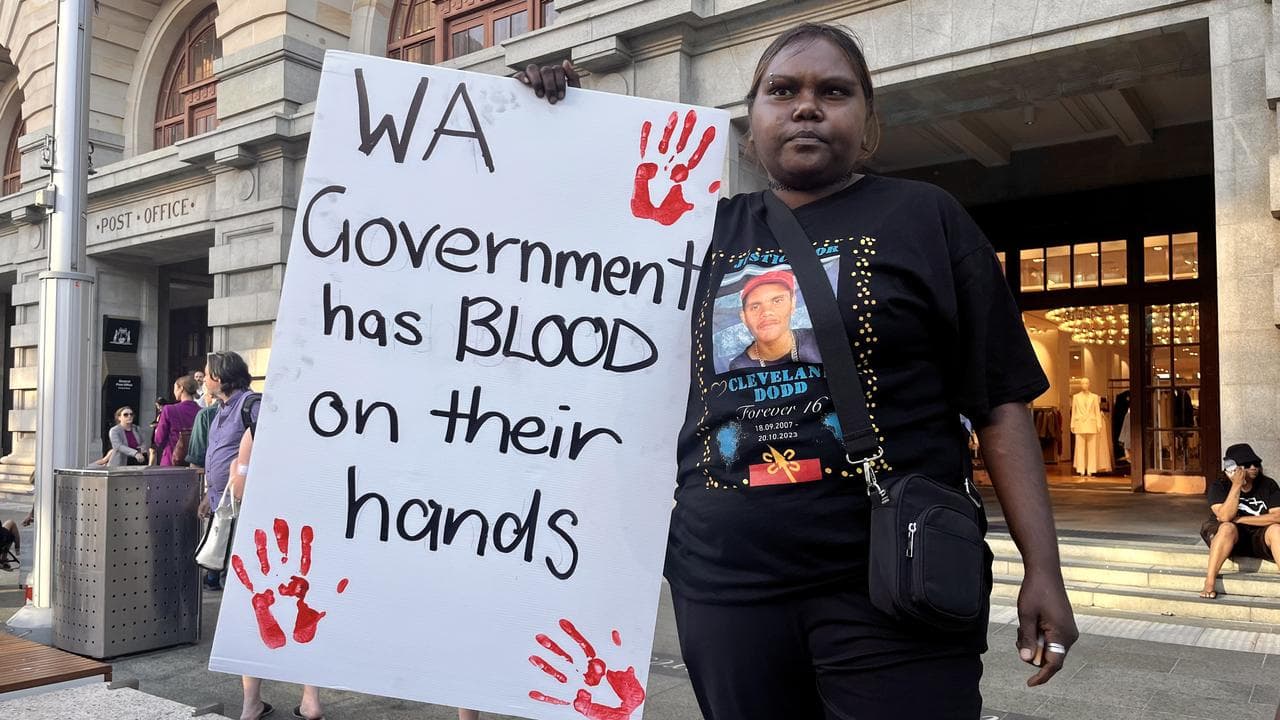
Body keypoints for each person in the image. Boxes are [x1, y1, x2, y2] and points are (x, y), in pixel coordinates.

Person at [520, 22, 1076, 719]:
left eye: (833, 91)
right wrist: (552, 123)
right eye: (782, 91)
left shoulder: (927, 218)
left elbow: (999, 404)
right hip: (724, 587)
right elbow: (545, 259)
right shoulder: (694, 233)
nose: (806, 106)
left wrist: (1044, 570)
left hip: (892, 585)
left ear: (867, 121)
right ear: (749, 123)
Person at [211, 357, 323, 720]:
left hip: (263, 537)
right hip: (307, 530)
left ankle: (251, 703)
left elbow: (240, 486)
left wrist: (233, 471)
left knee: (253, 611)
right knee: (308, 611)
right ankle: (311, 701)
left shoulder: (255, 431)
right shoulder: (324, 429)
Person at [1199, 443, 1280, 599]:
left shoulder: (1268, 484)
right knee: (1227, 527)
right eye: (1247, 464)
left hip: (1259, 537)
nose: (1253, 467)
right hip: (1232, 539)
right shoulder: (1219, 486)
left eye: (1256, 464)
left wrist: (1241, 519)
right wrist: (1236, 485)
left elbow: (1277, 516)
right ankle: (1209, 581)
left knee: (1277, 529)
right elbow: (1224, 517)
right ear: (1232, 468)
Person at [727, 269, 821, 370]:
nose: (766, 312)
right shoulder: (739, 367)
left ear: (792, 304)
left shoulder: (818, 340)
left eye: (777, 301)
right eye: (755, 307)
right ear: (744, 317)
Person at [154, 374, 202, 466]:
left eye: (175, 388)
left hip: (171, 459)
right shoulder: (201, 411)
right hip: (193, 463)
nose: (174, 392)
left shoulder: (169, 409)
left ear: (181, 388)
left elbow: (159, 439)